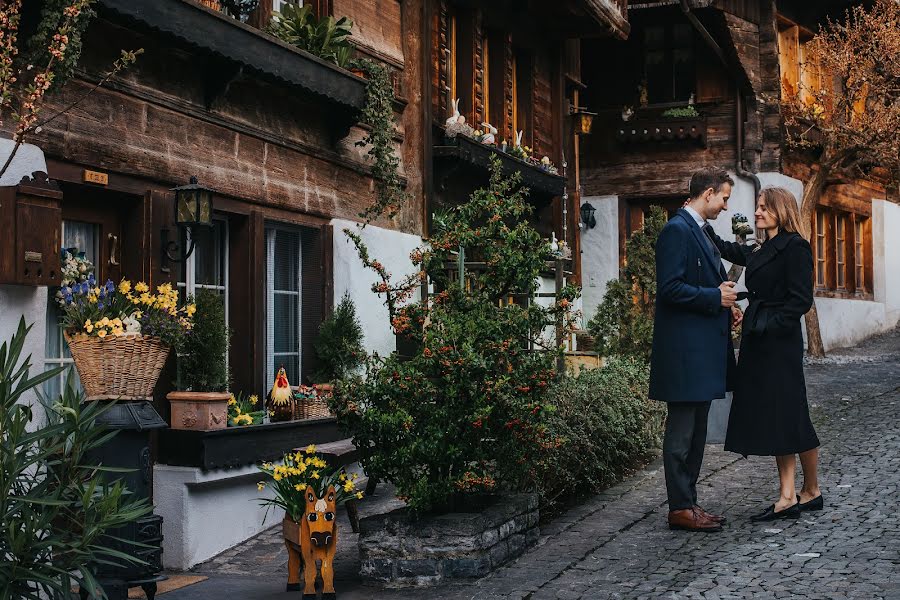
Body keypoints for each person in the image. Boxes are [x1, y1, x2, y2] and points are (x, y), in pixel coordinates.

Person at [707, 186, 822, 521]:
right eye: (757, 208)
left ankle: (810, 490)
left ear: (779, 210)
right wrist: (703, 226)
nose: (756, 213)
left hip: (779, 342)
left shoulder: (796, 247)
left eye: (762, 208)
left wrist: (767, 322)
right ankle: (789, 494)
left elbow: (801, 301)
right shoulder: (762, 248)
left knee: (791, 412)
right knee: (777, 414)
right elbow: (731, 250)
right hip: (758, 342)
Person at [650, 166, 739, 533]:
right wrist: (714, 297)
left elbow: (707, 281)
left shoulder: (700, 231)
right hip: (685, 354)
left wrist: (728, 304)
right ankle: (679, 508)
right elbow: (669, 289)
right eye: (724, 198)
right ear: (707, 194)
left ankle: (689, 503)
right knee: (682, 434)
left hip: (702, 352)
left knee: (697, 435)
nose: (725, 206)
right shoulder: (676, 231)